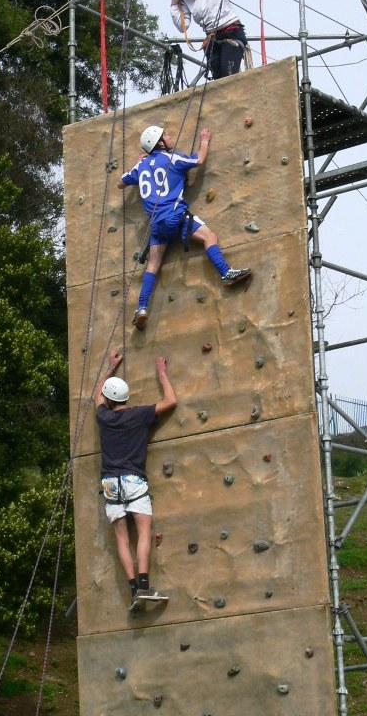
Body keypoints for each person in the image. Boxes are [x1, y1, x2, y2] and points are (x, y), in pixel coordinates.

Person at [118, 125, 252, 331]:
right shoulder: (172, 159)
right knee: (209, 237)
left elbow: (121, 183)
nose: (171, 137)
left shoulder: (140, 168)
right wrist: (205, 140)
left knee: (153, 264)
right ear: (160, 143)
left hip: (156, 224)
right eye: (167, 136)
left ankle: (142, 307)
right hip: (175, 217)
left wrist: (137, 163)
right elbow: (198, 160)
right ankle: (225, 273)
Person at [94, 350, 177, 608]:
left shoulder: (104, 418)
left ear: (109, 400)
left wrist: (111, 368)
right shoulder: (140, 415)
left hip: (110, 483)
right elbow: (171, 401)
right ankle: (144, 587)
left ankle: (133, 591)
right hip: (133, 481)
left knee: (122, 539)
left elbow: (96, 396)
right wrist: (162, 372)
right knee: (144, 533)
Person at [170, 0, 247, 79]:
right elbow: (182, 26)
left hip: (231, 32)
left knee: (228, 77)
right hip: (212, 39)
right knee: (218, 80)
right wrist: (174, 6)